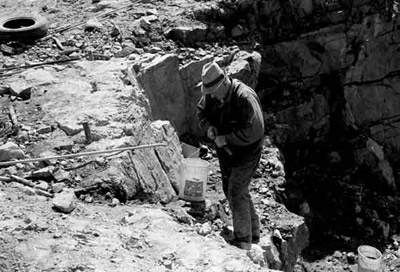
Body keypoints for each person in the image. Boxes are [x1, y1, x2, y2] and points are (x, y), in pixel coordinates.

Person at [197, 61, 265, 250]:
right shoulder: (211, 95)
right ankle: (255, 232)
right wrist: (209, 127)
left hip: (247, 152)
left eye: (213, 91)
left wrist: (227, 138)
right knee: (231, 189)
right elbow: (201, 112)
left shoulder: (244, 97)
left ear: (224, 84)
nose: (210, 96)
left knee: (236, 189)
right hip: (225, 151)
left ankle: (244, 241)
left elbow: (256, 130)